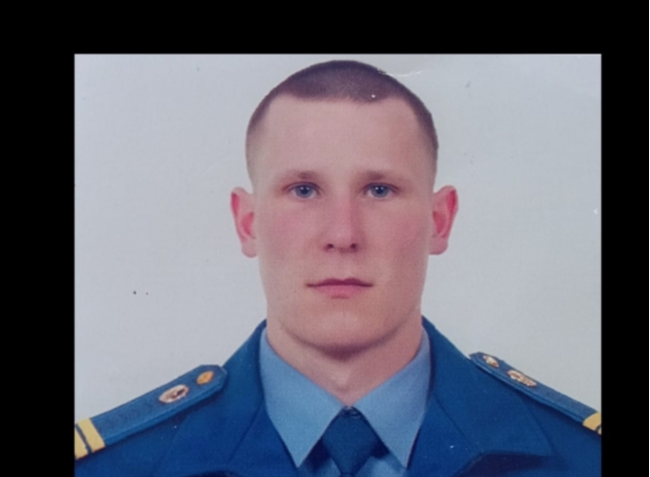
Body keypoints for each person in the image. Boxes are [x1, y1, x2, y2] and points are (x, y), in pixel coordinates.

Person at [74, 60, 601, 477]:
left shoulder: (582, 460)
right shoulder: (117, 467)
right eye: (304, 190)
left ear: (439, 221)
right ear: (247, 223)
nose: (343, 234)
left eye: (379, 190)